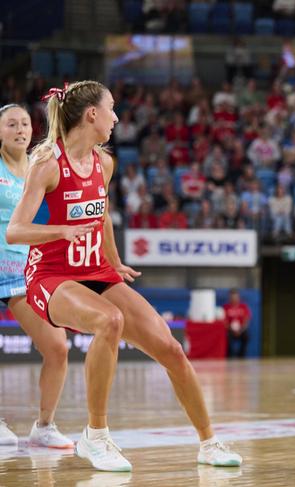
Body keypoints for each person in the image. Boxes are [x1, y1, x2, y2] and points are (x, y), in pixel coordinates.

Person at [7, 81, 242, 471]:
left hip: (95, 270)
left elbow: (102, 214)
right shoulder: (47, 163)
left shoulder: (105, 163)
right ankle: (95, 436)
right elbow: (15, 231)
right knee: (109, 321)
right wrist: (60, 231)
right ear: (91, 115)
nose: (117, 117)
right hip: (49, 276)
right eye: (111, 109)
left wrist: (113, 261)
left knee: (171, 349)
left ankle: (209, 443)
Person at [0, 104, 73, 448]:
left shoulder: (40, 168)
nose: (20, 129)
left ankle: (44, 426)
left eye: (25, 123)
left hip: (23, 272)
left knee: (57, 347)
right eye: (11, 124)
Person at [224, 288, 251, 358]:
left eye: (235, 297)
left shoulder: (243, 307)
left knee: (246, 336)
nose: (234, 299)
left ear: (238, 297)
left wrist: (241, 330)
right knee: (226, 337)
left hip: (241, 330)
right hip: (230, 330)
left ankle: (241, 356)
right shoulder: (226, 307)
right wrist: (231, 330)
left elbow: (247, 320)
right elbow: (224, 322)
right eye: (232, 297)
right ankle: (230, 356)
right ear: (229, 298)